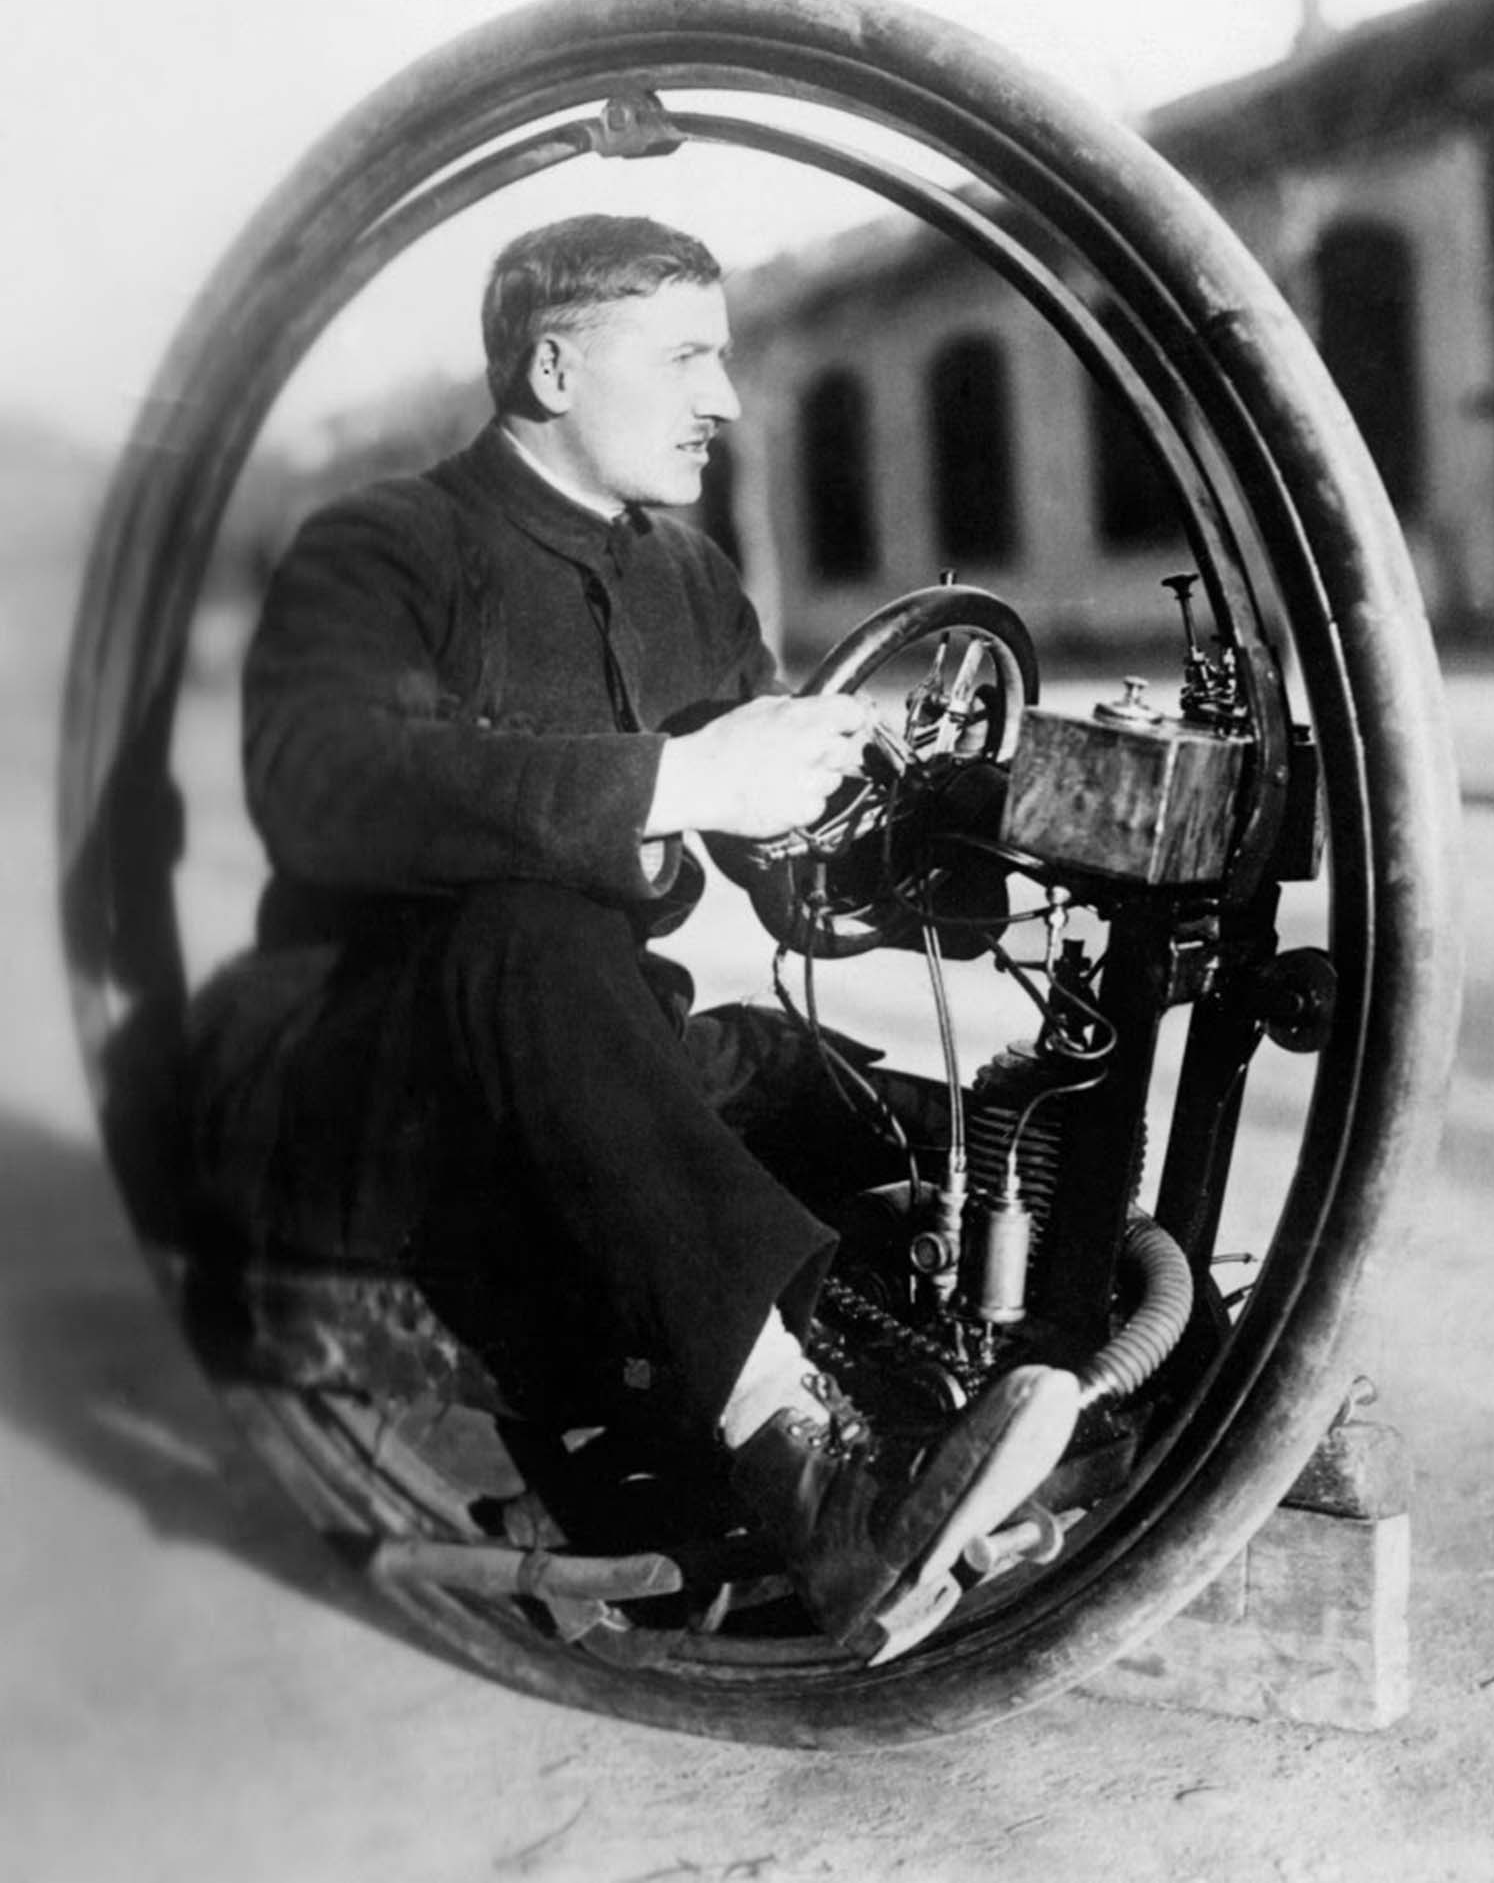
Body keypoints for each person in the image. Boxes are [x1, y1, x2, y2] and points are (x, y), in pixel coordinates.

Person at [191, 213, 1079, 1664]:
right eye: (684, 358)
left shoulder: (685, 578)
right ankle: (815, 1477)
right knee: (535, 929)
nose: (724, 398)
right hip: (381, 1106)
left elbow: (796, 877)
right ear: (552, 367)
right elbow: (319, 780)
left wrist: (923, 799)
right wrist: (675, 778)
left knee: (817, 1082)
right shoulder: (384, 549)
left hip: (590, 1063)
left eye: (721, 357)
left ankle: (1053, 1351)